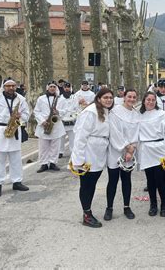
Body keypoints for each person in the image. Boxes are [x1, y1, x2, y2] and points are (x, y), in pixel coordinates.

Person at [71, 88, 113, 227]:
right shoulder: (90, 112)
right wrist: (78, 160)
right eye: (105, 97)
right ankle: (87, 214)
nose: (108, 100)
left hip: (99, 152)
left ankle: (87, 211)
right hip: (88, 153)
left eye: (110, 98)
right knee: (86, 185)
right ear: (99, 98)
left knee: (92, 184)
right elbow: (80, 136)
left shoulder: (106, 112)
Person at [0, 78, 30, 197]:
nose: (11, 88)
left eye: (13, 85)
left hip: (15, 129)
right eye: (8, 86)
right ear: (4, 87)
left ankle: (17, 181)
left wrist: (21, 116)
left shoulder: (21, 99)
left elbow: (27, 114)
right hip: (0, 131)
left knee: (16, 158)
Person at [138, 91, 165, 217]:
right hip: (146, 150)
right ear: (144, 101)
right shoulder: (139, 116)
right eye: (148, 100)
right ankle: (153, 204)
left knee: (161, 179)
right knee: (150, 180)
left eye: (153, 100)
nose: (150, 102)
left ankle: (164, 204)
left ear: (156, 101)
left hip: (160, 150)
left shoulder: (163, 115)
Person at [106, 89, 139, 221]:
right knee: (113, 181)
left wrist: (132, 150)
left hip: (130, 153)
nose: (131, 99)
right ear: (124, 97)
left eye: (134, 97)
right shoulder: (115, 112)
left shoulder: (136, 114)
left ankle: (127, 206)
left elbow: (137, 133)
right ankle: (109, 208)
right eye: (129, 96)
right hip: (115, 151)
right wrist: (126, 147)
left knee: (127, 180)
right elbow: (114, 132)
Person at [34, 81, 65, 173]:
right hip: (44, 124)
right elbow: (36, 111)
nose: (52, 88)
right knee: (43, 146)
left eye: (54, 87)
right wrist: (42, 121)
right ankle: (44, 164)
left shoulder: (60, 99)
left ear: (56, 88)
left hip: (56, 125)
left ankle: (53, 163)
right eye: (51, 87)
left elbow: (65, 110)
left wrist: (58, 112)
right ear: (47, 88)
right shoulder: (41, 98)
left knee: (55, 146)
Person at [57, 82, 78, 158]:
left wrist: (74, 116)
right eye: (65, 87)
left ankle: (72, 151)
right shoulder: (60, 98)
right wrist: (63, 113)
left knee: (72, 138)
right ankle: (60, 151)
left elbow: (77, 108)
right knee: (61, 138)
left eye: (68, 87)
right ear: (63, 88)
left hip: (72, 120)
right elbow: (58, 109)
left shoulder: (74, 97)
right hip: (62, 120)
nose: (67, 88)